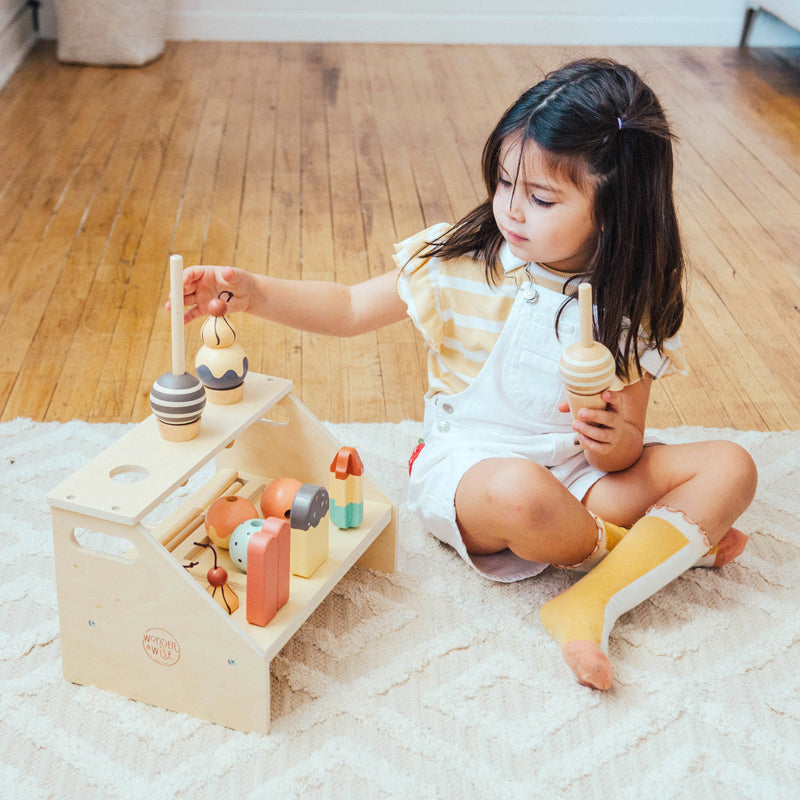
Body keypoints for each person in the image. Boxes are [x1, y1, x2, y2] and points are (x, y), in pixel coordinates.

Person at [177, 58, 758, 690]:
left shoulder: (626, 302)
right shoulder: (463, 262)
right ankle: (649, 551)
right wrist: (254, 293)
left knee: (732, 466)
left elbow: (623, 453)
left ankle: (590, 598)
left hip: (580, 479)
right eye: (505, 182)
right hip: (472, 474)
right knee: (522, 493)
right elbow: (347, 308)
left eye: (540, 198)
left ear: (614, 209)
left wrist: (610, 439)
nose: (511, 209)